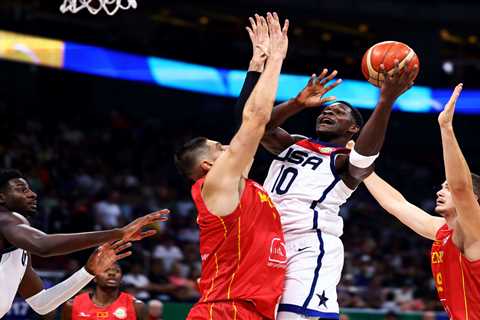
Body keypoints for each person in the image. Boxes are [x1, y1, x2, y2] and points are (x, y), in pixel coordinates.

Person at [252, 52, 416, 318]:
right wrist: (297, 103)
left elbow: (364, 160)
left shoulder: (343, 160)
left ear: (353, 129)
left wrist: (385, 101)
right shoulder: (293, 143)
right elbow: (257, 127)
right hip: (267, 241)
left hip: (309, 245)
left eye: (339, 112)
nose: (329, 111)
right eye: (327, 109)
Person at [174, 12, 289, 320]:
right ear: (209, 165)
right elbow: (254, 122)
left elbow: (245, 124)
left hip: (251, 311)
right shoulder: (216, 186)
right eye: (220, 147)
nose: (229, 146)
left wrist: (256, 65)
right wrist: (277, 59)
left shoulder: (238, 185)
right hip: (224, 311)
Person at [364, 84, 480, 319]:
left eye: (446, 188)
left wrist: (446, 128)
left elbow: (461, 187)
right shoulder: (442, 230)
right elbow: (397, 204)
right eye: (441, 186)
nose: (441, 190)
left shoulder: (474, 230)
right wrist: (362, 168)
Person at [0, 169, 169, 318]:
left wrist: (88, 272)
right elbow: (44, 245)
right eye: (22, 190)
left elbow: (42, 305)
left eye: (29, 188)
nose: (32, 194)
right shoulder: (5, 218)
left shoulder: (18, 247)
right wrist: (119, 233)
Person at [61, 262, 147, 320]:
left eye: (117, 271)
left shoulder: (136, 306)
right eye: (106, 270)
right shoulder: (72, 305)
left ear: (121, 278)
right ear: (94, 278)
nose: (112, 273)